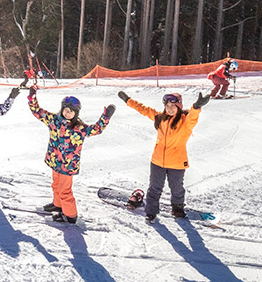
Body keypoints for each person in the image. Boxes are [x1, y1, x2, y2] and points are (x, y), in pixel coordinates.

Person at [118, 89, 210, 221]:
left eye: (173, 106)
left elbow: (193, 117)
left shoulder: (185, 122)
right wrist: (128, 100)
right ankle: (151, 212)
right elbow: (144, 109)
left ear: (179, 106)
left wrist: (196, 106)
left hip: (177, 163)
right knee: (154, 188)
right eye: (167, 106)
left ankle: (178, 209)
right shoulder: (160, 118)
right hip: (157, 162)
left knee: (177, 189)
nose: (170, 108)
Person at [28, 85, 114, 224]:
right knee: (56, 185)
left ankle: (70, 215)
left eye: (71, 112)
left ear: (76, 113)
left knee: (65, 190)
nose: (68, 113)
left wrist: (106, 116)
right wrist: (32, 98)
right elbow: (38, 112)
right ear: (62, 109)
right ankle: (57, 205)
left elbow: (96, 129)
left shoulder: (79, 128)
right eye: (66, 110)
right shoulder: (53, 121)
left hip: (68, 165)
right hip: (55, 160)